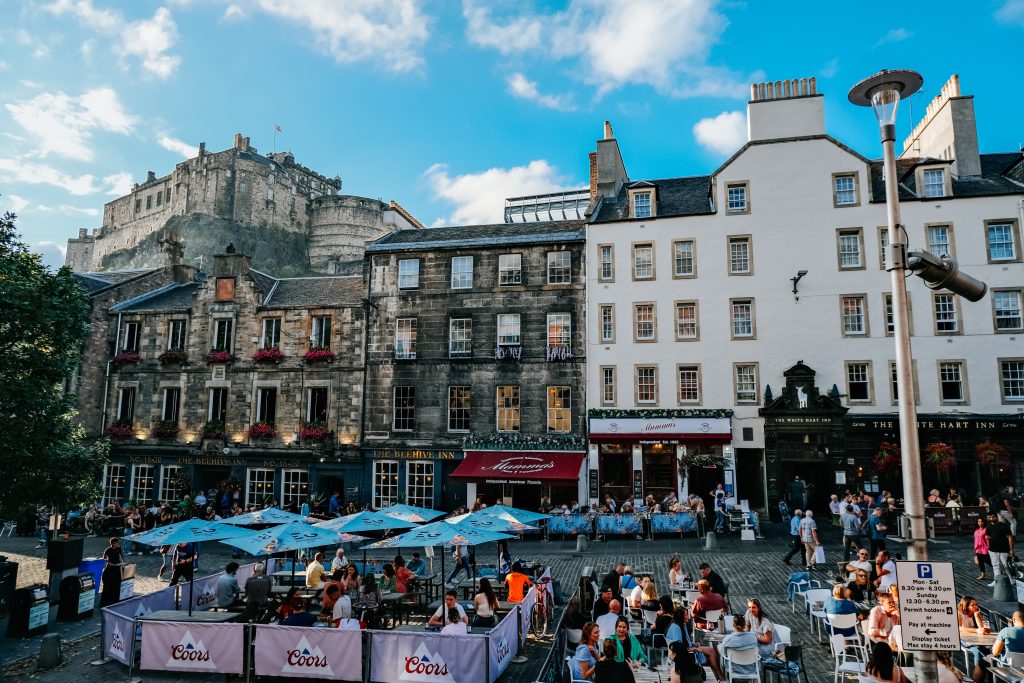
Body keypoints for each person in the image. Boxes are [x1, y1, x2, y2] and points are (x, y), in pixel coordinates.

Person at [985, 512, 1014, 588]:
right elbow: (987, 536)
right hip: (992, 549)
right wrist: (988, 546)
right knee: (995, 565)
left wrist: (1011, 549)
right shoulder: (988, 526)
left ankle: (1011, 579)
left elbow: (1010, 537)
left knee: (1006, 565)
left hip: (1003, 549)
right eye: (990, 517)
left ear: (997, 517)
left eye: (993, 517)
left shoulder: (1003, 526)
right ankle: (997, 580)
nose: (991, 519)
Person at [99, 537, 125, 607]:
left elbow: (122, 555)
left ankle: (115, 600)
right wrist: (110, 563)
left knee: (117, 584)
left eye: (117, 543)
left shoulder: (118, 548)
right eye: (115, 543)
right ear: (112, 543)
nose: (117, 544)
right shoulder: (108, 550)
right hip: (110, 569)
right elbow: (104, 559)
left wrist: (123, 561)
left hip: (117, 567)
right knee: (108, 586)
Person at [973, 517, 991, 581]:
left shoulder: (986, 529)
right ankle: (983, 575)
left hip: (985, 548)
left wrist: (989, 547)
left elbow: (988, 539)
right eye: (979, 521)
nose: (980, 523)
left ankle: (999, 572)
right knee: (980, 562)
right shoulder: (976, 529)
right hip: (978, 548)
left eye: (981, 521)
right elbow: (975, 539)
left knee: (988, 561)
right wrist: (975, 547)